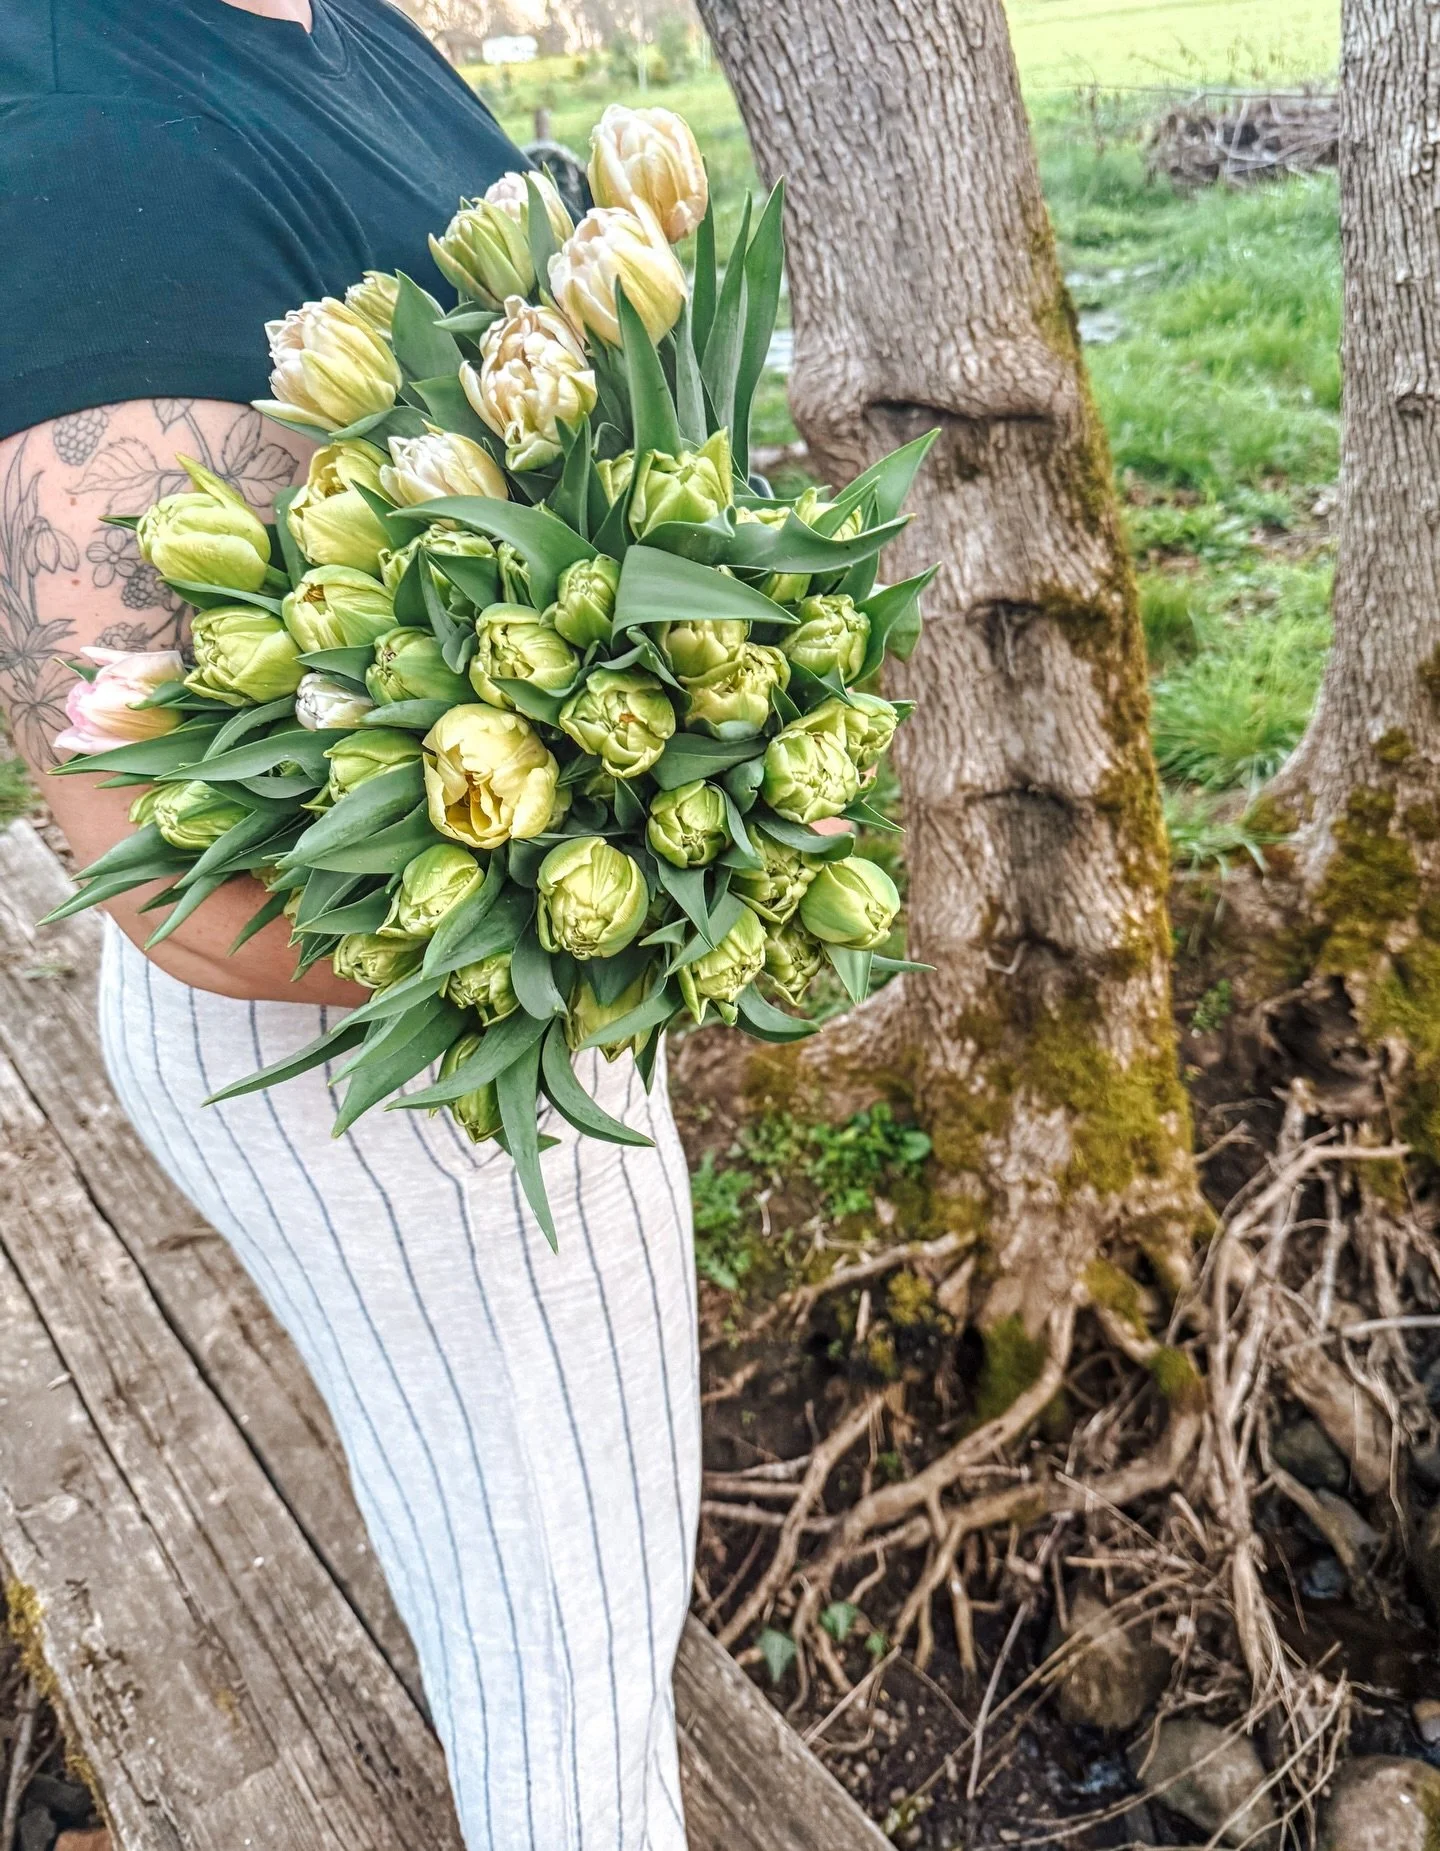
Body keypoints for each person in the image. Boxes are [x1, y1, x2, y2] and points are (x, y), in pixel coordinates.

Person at [0, 6, 699, 1849]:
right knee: (569, 1633)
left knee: (554, 1573)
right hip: (392, 1059)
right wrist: (615, 927)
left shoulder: (338, 22)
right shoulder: (89, 155)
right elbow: (168, 865)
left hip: (508, 975)